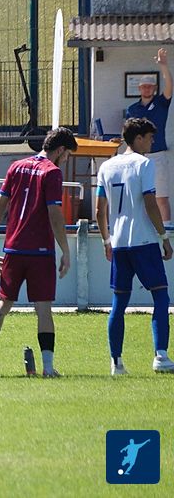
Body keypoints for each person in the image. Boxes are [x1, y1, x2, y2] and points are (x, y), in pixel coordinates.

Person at [0, 127, 77, 378]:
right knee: (43, 309)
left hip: (13, 247)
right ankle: (48, 368)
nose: (66, 160)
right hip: (40, 251)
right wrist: (65, 250)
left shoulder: (16, 166)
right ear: (60, 150)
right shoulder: (52, 172)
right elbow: (55, 214)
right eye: (67, 155)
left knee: (3, 303)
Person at [95, 117, 174, 375]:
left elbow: (99, 210)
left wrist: (106, 240)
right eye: (149, 138)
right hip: (144, 241)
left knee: (119, 302)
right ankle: (161, 355)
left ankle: (116, 363)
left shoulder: (107, 166)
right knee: (160, 296)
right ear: (138, 138)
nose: (152, 142)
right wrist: (163, 237)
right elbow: (150, 202)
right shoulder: (144, 164)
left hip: (119, 244)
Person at [125, 48, 172, 221]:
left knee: (161, 197)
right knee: (139, 197)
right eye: (144, 86)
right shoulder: (132, 109)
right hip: (138, 157)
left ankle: (166, 229)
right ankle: (142, 227)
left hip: (157, 155)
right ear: (139, 88)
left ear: (154, 88)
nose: (147, 89)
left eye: (150, 86)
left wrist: (163, 66)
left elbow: (169, 87)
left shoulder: (161, 103)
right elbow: (129, 133)